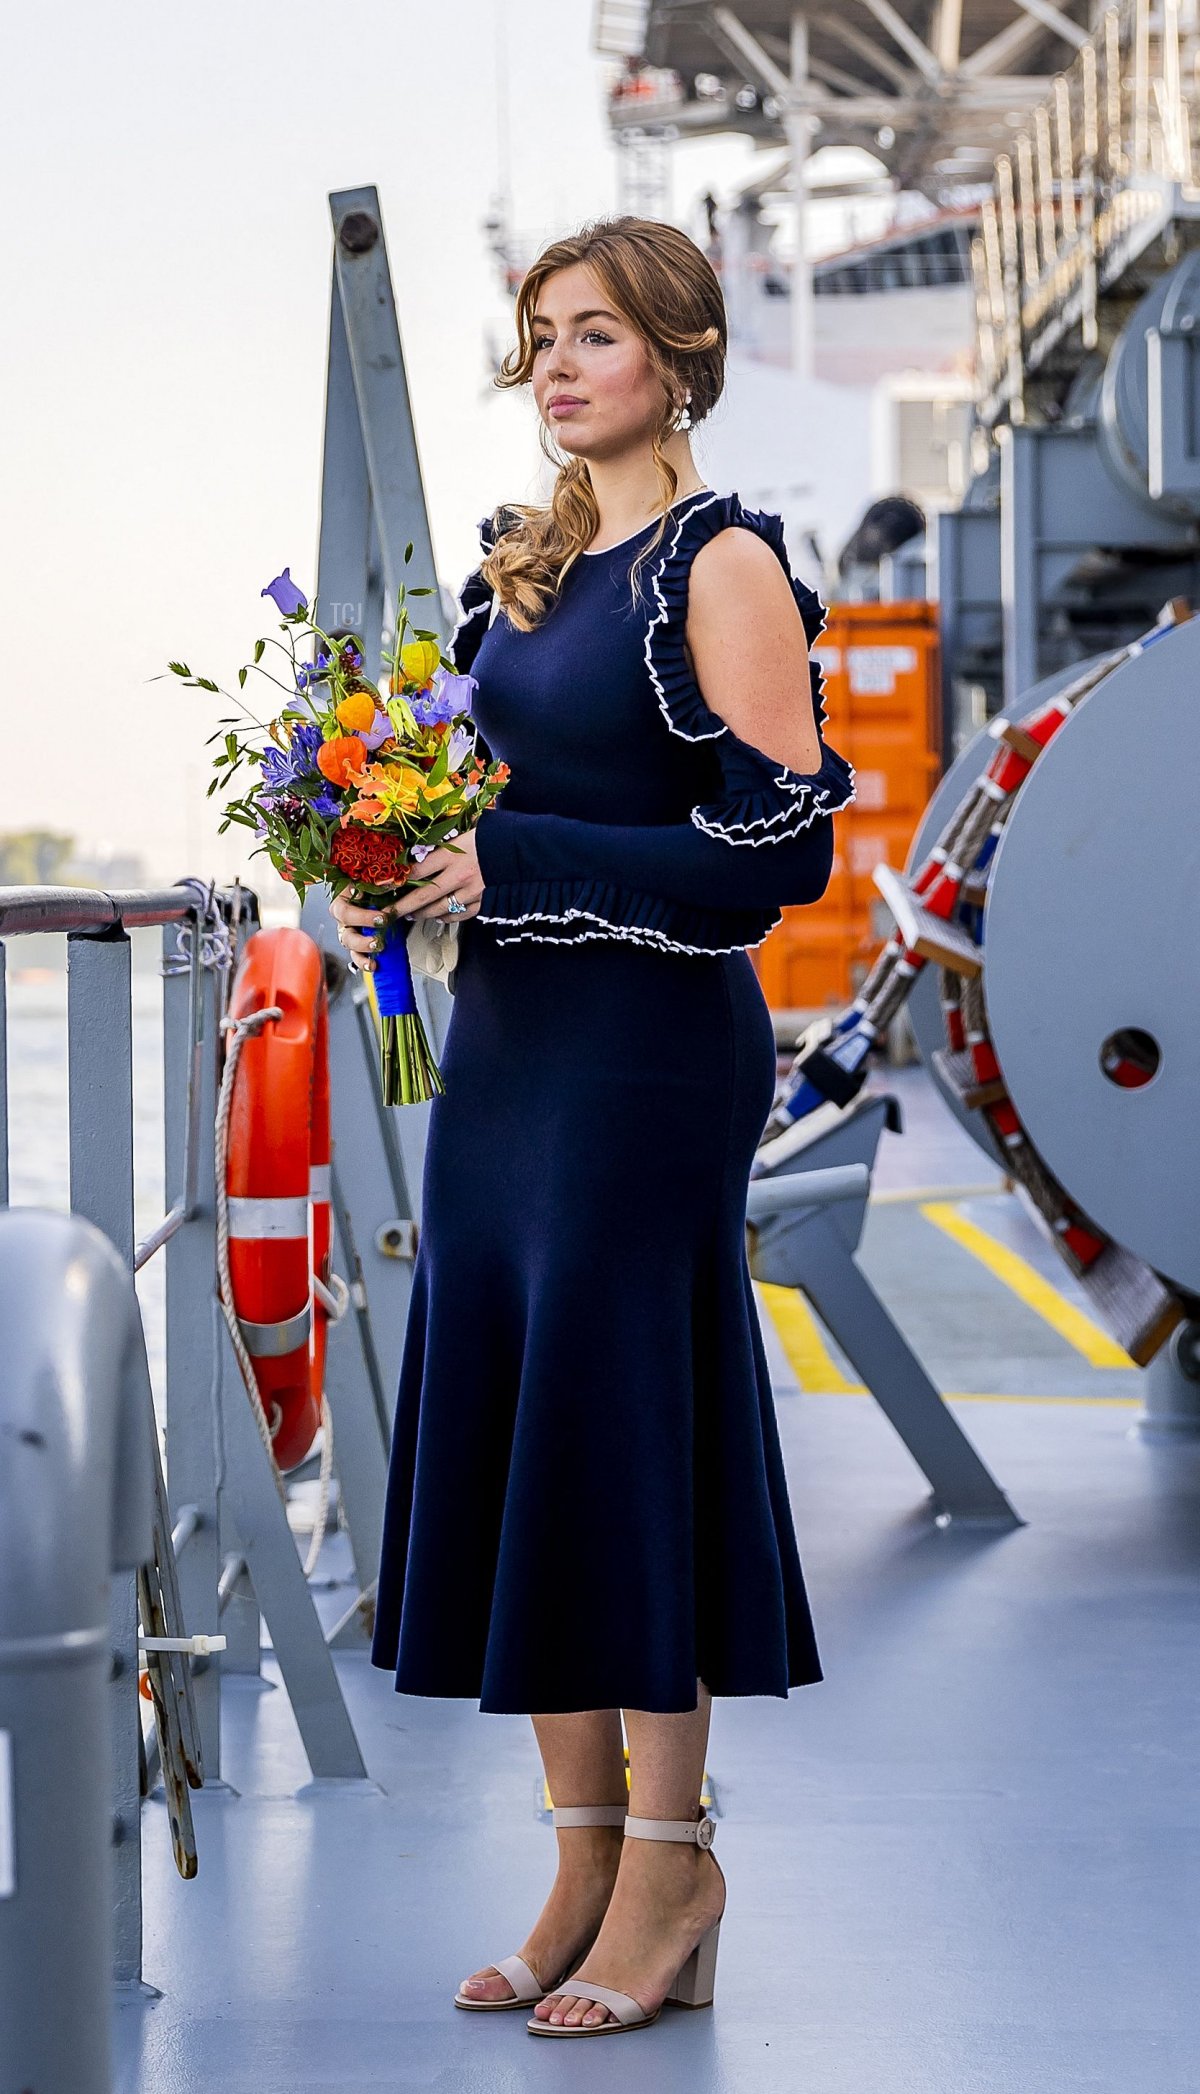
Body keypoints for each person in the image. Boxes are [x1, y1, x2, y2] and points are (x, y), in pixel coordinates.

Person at [331, 214, 855, 2040]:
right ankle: (578, 1856)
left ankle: (674, 1858)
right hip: (512, 1049)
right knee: (529, 1417)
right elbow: (467, 821)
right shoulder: (520, 586)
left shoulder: (717, 567)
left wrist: (521, 858)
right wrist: (394, 890)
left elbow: (784, 847)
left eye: (597, 336)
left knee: (622, 1427)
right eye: (540, 337)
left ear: (680, 359)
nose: (556, 367)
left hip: (644, 1063)